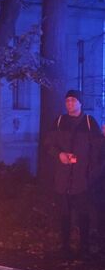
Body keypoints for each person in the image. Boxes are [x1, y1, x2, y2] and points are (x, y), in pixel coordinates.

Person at [43, 90, 103, 259]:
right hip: (62, 178)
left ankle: (84, 248)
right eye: (67, 100)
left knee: (83, 214)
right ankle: (65, 247)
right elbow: (48, 144)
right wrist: (59, 155)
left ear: (80, 103)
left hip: (81, 179)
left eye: (73, 100)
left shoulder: (89, 122)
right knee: (64, 213)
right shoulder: (59, 121)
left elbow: (97, 149)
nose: (70, 103)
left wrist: (89, 172)